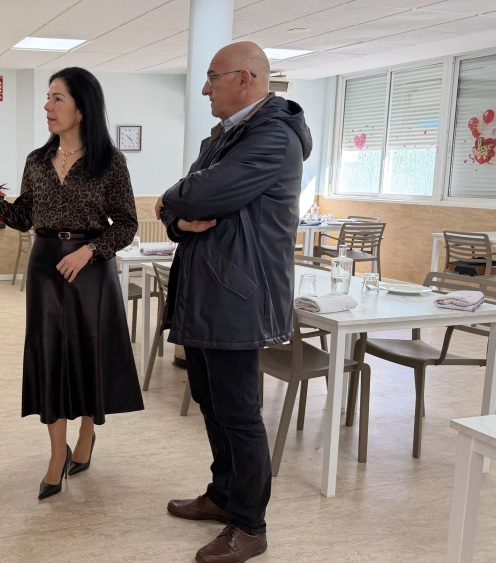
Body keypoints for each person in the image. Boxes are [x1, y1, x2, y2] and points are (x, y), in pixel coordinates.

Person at [155, 41, 311, 563]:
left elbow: (193, 194)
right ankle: (223, 495)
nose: (205, 89)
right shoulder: (225, 136)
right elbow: (184, 208)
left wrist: (175, 202)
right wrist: (179, 218)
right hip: (208, 292)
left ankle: (249, 525)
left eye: (212, 77)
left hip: (237, 298)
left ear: (245, 79)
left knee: (239, 414)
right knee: (211, 401)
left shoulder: (273, 136)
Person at [0, 67, 145, 501]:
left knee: (88, 354)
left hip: (91, 269)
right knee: (50, 356)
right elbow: (23, 218)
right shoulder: (37, 160)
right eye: (47, 98)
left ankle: (86, 435)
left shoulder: (110, 163)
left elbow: (127, 225)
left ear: (81, 109)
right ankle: (56, 454)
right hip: (45, 266)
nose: (47, 107)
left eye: (57, 98)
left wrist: (89, 251)